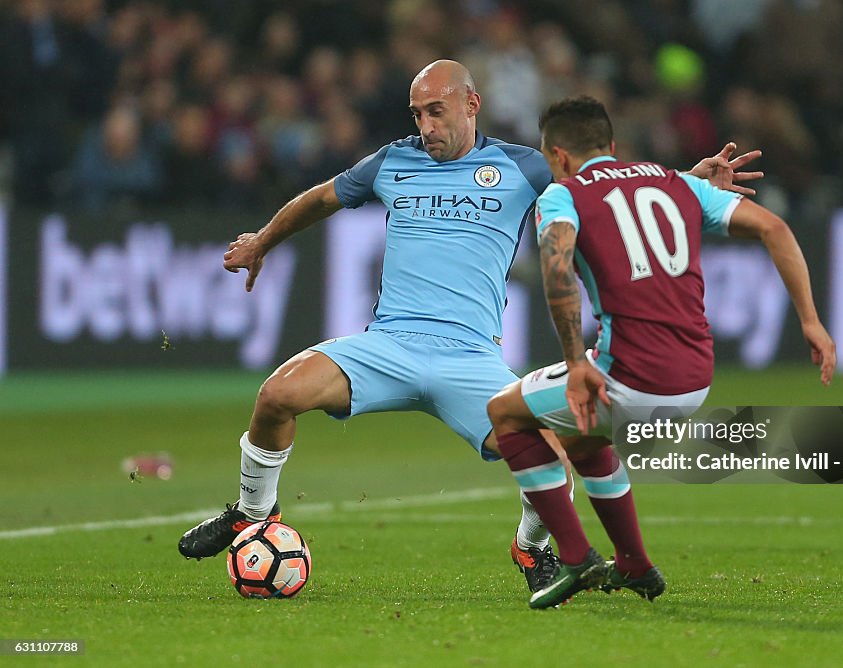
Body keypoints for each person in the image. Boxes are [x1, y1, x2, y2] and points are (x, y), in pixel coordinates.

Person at [177, 60, 763, 592]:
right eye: (417, 113)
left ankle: (530, 549)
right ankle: (253, 516)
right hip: (389, 344)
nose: (425, 126)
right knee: (277, 395)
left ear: (470, 105)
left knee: (556, 458)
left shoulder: (523, 167)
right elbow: (322, 199)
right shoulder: (393, 160)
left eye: (436, 111)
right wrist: (261, 242)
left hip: (470, 357)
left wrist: (687, 179)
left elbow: (607, 187)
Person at [487, 95, 835, 609]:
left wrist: (579, 363)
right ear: (612, 145)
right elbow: (774, 228)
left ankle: (577, 557)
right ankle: (634, 564)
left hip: (630, 376)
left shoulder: (561, 196)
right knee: (583, 438)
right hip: (695, 380)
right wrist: (810, 320)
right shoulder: (681, 186)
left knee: (505, 414)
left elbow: (557, 271)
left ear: (557, 156)